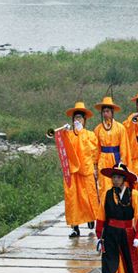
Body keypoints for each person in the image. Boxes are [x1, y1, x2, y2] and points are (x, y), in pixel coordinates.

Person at [59, 101, 100, 238]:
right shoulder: (69, 134)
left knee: (89, 197)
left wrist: (81, 132)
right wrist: (63, 134)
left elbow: (91, 151)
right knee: (73, 200)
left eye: (80, 118)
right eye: (75, 118)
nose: (78, 120)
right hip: (72, 173)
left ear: (85, 120)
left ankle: (91, 218)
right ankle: (75, 227)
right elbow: (64, 150)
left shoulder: (89, 134)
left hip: (86, 170)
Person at [93, 96, 129, 175]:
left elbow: (123, 146)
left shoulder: (120, 128)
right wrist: (95, 164)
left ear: (112, 112)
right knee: (103, 182)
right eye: (104, 111)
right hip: (102, 159)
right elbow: (96, 148)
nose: (105, 113)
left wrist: (122, 161)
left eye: (107, 111)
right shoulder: (98, 129)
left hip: (115, 158)